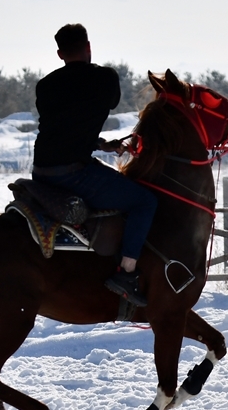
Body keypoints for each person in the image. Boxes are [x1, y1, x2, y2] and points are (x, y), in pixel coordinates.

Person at [32, 24, 157, 307]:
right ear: (88, 47)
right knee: (144, 202)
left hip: (41, 172)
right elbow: (93, 109)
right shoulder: (104, 79)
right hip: (74, 175)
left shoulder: (45, 85)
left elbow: (63, 128)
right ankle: (126, 273)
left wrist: (102, 145)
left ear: (60, 54)